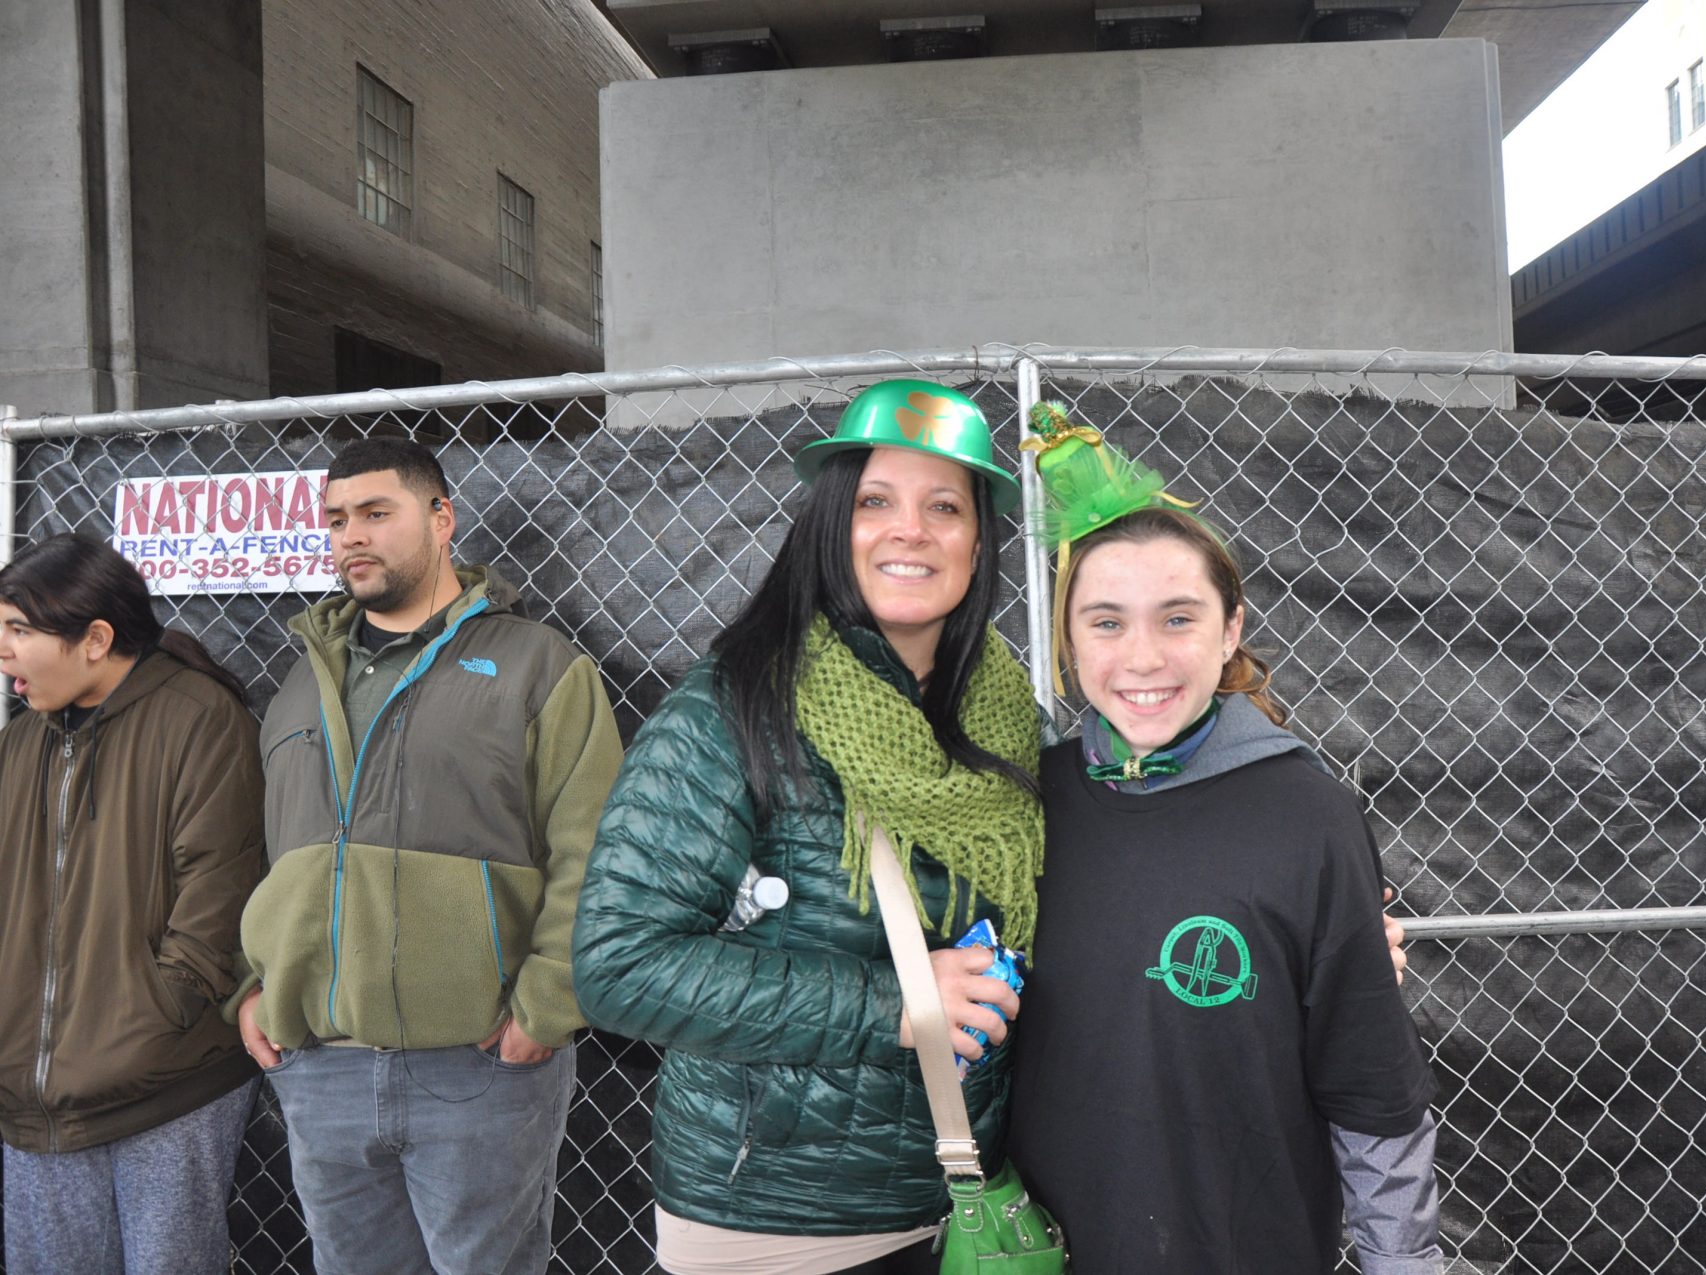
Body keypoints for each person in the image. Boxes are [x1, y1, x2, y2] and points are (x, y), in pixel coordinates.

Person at [574, 380, 1047, 1275]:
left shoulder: (1001, 717)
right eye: (876, 501)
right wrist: (894, 1002)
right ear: (833, 522)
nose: (910, 529)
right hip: (774, 1224)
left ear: (980, 539)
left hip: (956, 1201)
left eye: (944, 506)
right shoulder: (734, 705)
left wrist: (1301, 919)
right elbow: (617, 964)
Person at [1005, 408, 1442, 1273]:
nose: (1141, 658)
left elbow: (1373, 1090)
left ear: (1231, 628)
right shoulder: (1030, 803)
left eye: (1178, 618)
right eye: (1105, 621)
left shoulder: (1308, 815)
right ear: (1067, 636)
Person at [229, 438, 622, 1275]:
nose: (351, 536)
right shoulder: (302, 680)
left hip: (477, 1064)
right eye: (336, 519)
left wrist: (546, 1003)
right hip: (319, 1066)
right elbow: (269, 856)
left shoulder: (537, 664)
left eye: (377, 513)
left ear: (442, 518)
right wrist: (252, 985)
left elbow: (593, 844)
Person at [0, 533, 265, 1275]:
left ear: (95, 638)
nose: (4, 651)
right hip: (35, 1100)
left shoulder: (200, 717)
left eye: (19, 630)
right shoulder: (22, 744)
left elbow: (221, 896)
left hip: (165, 1086)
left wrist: (153, 1011)